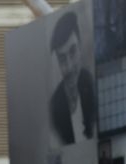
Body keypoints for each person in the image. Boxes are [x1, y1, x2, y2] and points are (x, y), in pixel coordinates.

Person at [49, 10, 96, 147]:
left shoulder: (92, 85)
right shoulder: (55, 107)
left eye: (73, 52)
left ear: (80, 48)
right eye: (62, 59)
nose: (69, 67)